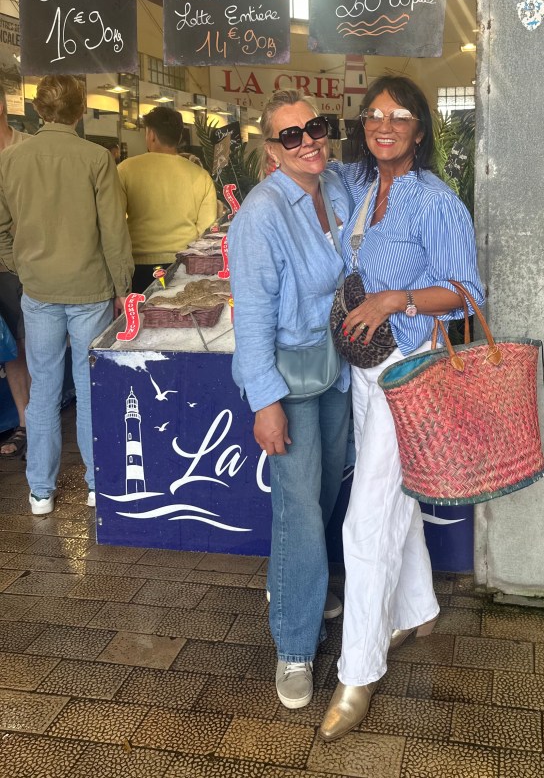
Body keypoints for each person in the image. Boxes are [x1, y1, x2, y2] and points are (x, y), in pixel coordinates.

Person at [319, 76, 484, 741]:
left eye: (399, 115)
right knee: (394, 496)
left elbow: (467, 293)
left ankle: (358, 672)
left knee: (366, 519)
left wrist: (396, 300)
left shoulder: (435, 201)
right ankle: (418, 608)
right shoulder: (363, 188)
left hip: (408, 370)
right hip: (366, 370)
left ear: (420, 128)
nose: (383, 124)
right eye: (373, 114)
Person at [229, 90, 352, 711]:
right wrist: (265, 402)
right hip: (289, 379)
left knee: (325, 491)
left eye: (315, 127)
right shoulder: (261, 214)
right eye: (290, 135)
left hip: (336, 367)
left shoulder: (336, 188)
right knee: (300, 508)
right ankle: (295, 644)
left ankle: (303, 582)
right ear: (271, 149)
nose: (308, 141)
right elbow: (251, 317)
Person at [0, 75, 133, 513]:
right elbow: (113, 231)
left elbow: (1, 229)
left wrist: (22, 266)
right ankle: (97, 484)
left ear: (39, 110)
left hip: (38, 289)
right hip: (90, 288)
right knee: (90, 386)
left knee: (43, 387)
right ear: (81, 110)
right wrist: (122, 286)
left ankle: (41, 490)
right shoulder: (96, 158)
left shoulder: (10, 160)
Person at [117, 106, 217, 292]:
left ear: (151, 135)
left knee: (141, 311)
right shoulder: (201, 176)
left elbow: (115, 220)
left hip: (137, 267)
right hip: (183, 265)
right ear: (179, 138)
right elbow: (207, 228)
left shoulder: (125, 169)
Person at [0, 85, 30, 458]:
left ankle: (27, 423)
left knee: (21, 346)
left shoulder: (28, 148)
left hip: (21, 265)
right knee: (9, 349)